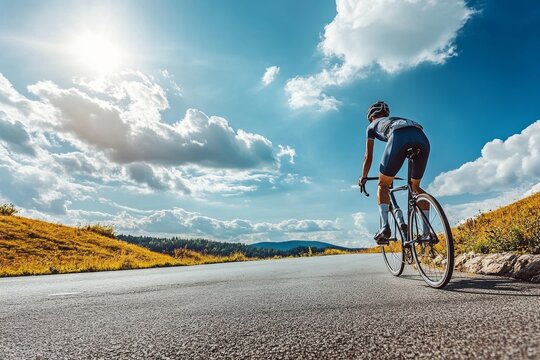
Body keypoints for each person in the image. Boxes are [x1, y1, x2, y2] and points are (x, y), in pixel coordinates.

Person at [358, 101, 430, 245]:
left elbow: (368, 156)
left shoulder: (371, 126)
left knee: (383, 184)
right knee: (415, 187)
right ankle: (427, 232)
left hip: (399, 137)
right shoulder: (396, 119)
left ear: (371, 116)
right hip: (422, 138)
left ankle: (385, 227)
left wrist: (363, 177)